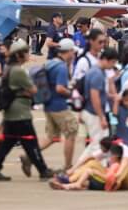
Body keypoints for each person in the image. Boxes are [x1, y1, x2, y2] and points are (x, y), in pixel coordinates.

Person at [0, 39, 53, 181]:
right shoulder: (18, 71)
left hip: (11, 112)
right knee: (31, 142)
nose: (28, 55)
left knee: (6, 142)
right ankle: (43, 170)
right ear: (18, 55)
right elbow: (33, 89)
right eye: (25, 52)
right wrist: (27, 91)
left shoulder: (9, 69)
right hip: (21, 112)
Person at [38, 38, 79, 171]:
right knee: (71, 132)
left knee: (52, 137)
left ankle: (28, 156)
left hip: (48, 104)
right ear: (69, 51)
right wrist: (71, 94)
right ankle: (68, 166)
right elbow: (60, 88)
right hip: (59, 105)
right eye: (73, 52)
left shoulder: (51, 63)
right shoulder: (61, 67)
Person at [76, 48, 119, 165]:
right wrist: (102, 117)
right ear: (106, 60)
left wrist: (111, 96)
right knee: (101, 145)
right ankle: (99, 169)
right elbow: (95, 97)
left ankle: (77, 168)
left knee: (94, 145)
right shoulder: (98, 74)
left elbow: (98, 94)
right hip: (94, 113)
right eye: (113, 62)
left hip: (89, 111)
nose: (113, 66)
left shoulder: (94, 71)